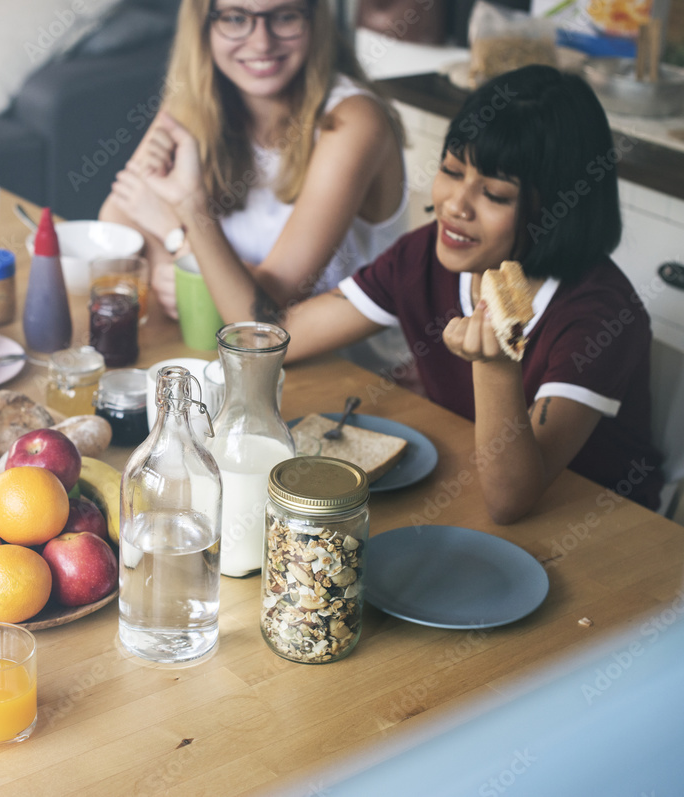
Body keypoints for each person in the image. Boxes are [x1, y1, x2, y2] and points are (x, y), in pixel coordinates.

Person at [136, 64, 665, 523]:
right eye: (451, 172)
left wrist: (497, 365)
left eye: (495, 195)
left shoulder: (598, 315)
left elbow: (512, 499)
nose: (456, 205)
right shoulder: (423, 258)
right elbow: (279, 339)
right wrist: (191, 207)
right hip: (462, 492)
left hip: (603, 532)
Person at [99, 0, 411, 377]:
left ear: (314, 20)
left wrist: (176, 238)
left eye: (284, 15)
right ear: (205, 27)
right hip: (234, 361)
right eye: (235, 17)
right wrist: (182, 271)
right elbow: (117, 220)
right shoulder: (196, 104)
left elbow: (263, 312)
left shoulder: (353, 121)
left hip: (345, 377)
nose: (261, 42)